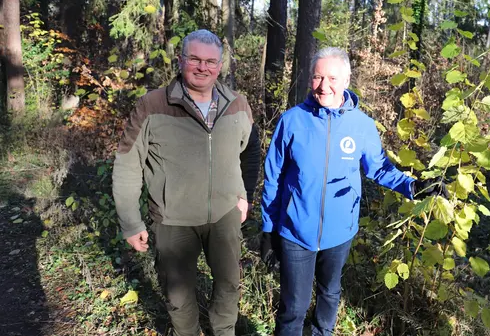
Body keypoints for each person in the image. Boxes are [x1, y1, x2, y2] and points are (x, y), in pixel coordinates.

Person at [260, 47, 443, 336]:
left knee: (330, 293)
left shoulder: (362, 126)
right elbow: (273, 178)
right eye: (318, 77)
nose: (324, 86)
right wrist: (269, 230)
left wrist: (413, 187)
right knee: (293, 306)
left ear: (346, 79)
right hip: (295, 231)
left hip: (340, 232)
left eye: (332, 78)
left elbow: (379, 168)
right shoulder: (292, 121)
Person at [112, 29, 260, 336]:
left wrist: (243, 194)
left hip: (224, 214)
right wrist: (131, 222)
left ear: (221, 65)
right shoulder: (152, 105)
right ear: (181, 60)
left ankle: (224, 331)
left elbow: (251, 151)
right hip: (173, 219)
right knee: (178, 296)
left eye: (210, 61)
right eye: (194, 59)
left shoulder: (237, 104)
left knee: (229, 283)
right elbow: (128, 163)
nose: (202, 67)